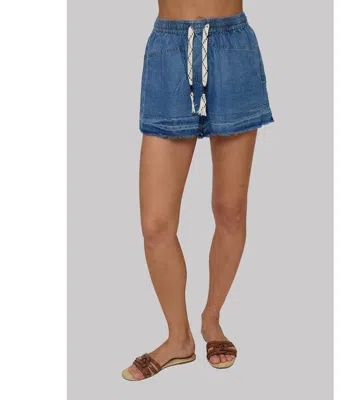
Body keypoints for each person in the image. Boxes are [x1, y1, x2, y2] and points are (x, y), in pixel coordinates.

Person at [122, 0, 273, 381]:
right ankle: (178, 339)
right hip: (168, 50)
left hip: (232, 46)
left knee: (230, 209)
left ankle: (211, 318)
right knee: (156, 225)